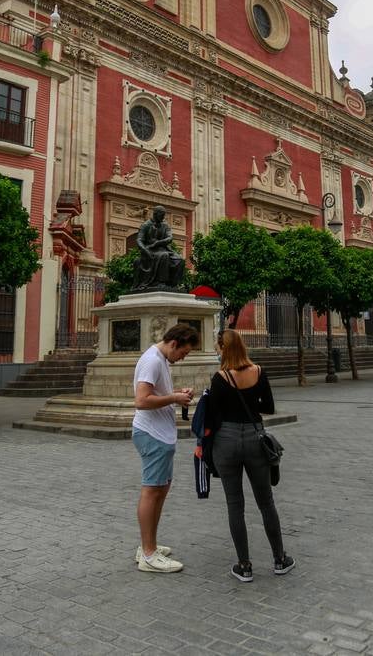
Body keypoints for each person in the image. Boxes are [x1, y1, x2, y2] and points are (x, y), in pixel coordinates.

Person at [207, 329, 294, 582]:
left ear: (223, 349)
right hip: (256, 440)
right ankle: (279, 559)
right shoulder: (258, 371)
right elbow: (268, 406)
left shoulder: (220, 377)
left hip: (227, 440)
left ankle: (244, 566)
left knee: (235, 505)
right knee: (266, 502)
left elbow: (214, 416)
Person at [132, 322, 200, 573]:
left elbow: (153, 393)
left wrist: (175, 393)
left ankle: (147, 545)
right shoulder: (152, 360)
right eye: (183, 352)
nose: (182, 358)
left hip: (159, 435)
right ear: (174, 343)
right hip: (152, 435)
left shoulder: (159, 359)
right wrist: (174, 398)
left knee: (160, 490)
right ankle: (149, 555)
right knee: (152, 491)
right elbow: (141, 400)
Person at [133, 205, 187, 289]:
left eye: (163, 215)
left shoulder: (165, 225)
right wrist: (144, 249)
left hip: (163, 248)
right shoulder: (146, 225)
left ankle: (173, 284)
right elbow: (139, 240)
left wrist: (158, 243)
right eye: (161, 215)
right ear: (155, 214)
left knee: (180, 260)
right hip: (150, 250)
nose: (163, 217)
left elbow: (170, 238)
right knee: (164, 255)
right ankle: (160, 282)